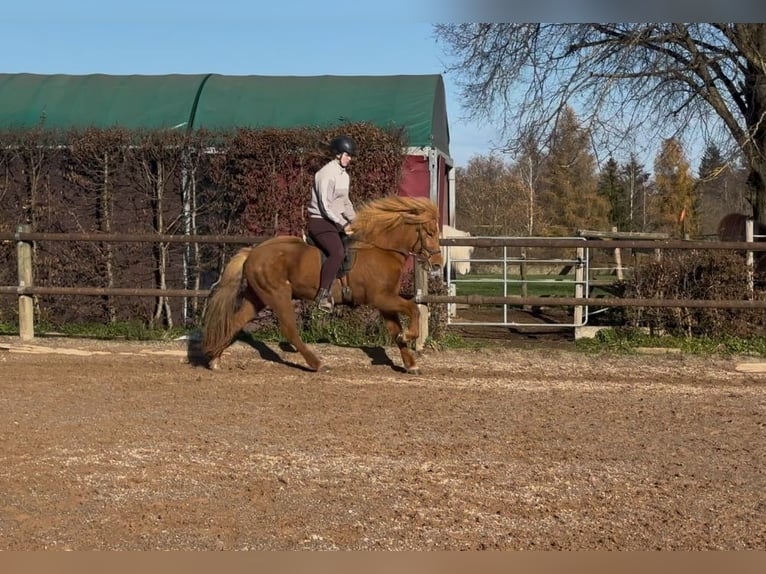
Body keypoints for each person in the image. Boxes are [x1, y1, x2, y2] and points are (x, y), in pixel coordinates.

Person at [307, 135, 358, 311]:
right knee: (337, 252)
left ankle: (345, 287)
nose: (349, 158)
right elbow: (325, 206)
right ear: (338, 154)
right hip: (321, 221)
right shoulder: (325, 174)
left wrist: (357, 222)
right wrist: (343, 225)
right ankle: (322, 295)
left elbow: (345, 203)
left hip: (335, 221)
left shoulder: (345, 176)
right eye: (347, 155)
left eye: (351, 156)